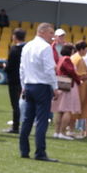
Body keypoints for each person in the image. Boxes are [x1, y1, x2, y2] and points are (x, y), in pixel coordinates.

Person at [19, 22, 60, 162]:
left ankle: (24, 150)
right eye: (50, 33)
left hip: (29, 85)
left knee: (27, 120)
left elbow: (22, 69)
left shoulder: (27, 46)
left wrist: (23, 85)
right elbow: (49, 70)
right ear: (42, 32)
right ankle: (40, 152)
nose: (52, 37)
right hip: (42, 86)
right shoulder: (45, 47)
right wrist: (55, 88)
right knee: (42, 121)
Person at [52, 43, 83, 139]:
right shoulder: (67, 59)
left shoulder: (61, 59)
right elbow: (71, 72)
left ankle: (57, 132)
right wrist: (78, 81)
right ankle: (62, 132)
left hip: (60, 83)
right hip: (69, 85)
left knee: (59, 110)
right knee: (67, 109)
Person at [3, 28, 26, 133]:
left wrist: (5, 66)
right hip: (24, 79)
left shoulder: (14, 49)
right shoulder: (26, 48)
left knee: (15, 104)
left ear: (15, 37)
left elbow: (9, 67)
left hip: (14, 80)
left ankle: (15, 126)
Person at [71, 40, 87, 137]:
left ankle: (70, 129)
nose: (86, 51)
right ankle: (70, 129)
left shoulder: (75, 57)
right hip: (80, 87)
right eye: (85, 49)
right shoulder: (79, 59)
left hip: (79, 87)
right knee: (75, 108)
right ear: (82, 49)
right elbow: (79, 76)